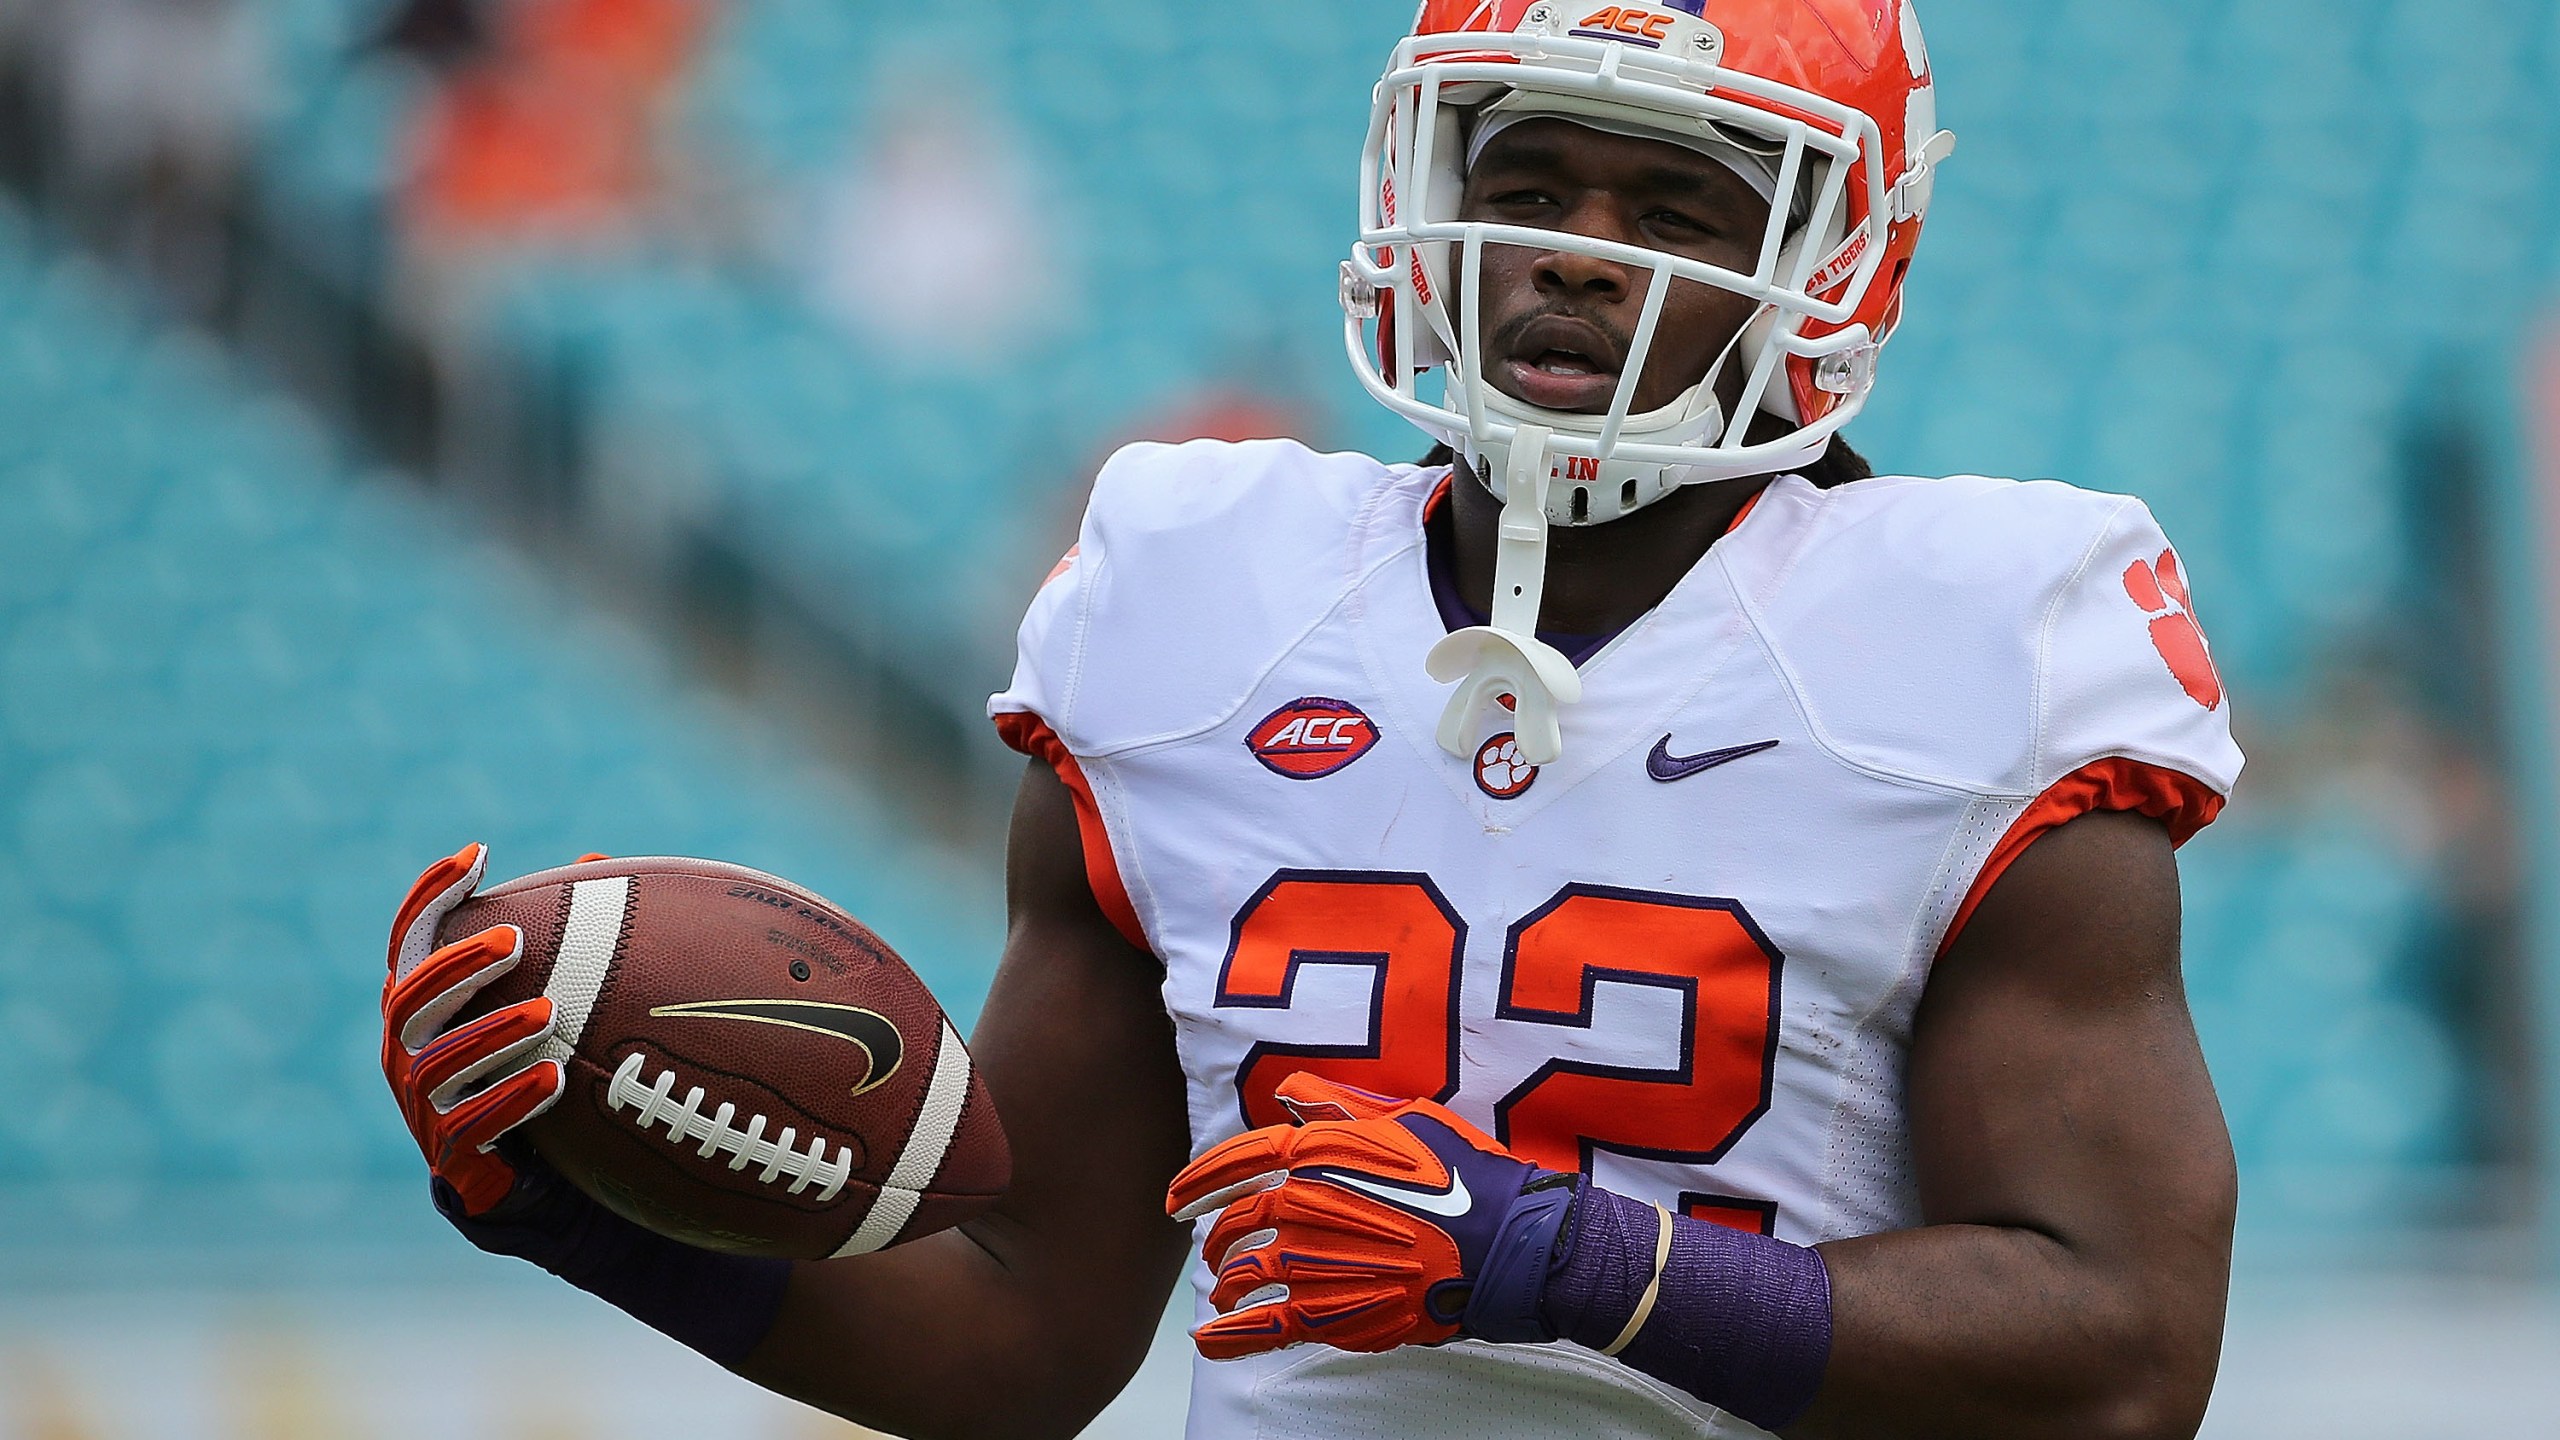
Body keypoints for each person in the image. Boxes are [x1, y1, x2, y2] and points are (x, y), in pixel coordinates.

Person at [377, 2, 2244, 1436]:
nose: (1580, 251)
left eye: (1676, 202)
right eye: (1525, 188)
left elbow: (2126, 1353)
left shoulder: (1968, 634)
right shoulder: (1199, 592)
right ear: (1425, 200)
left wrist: (1573, 1265)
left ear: (1834, 262)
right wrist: (584, 1214)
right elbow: (1023, 1329)